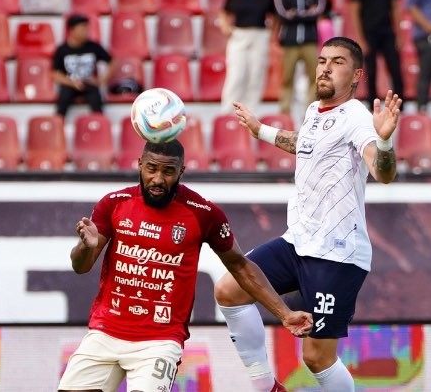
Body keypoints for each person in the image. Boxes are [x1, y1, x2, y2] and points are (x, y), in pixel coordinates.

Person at [214, 37, 402, 392]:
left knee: (316, 358)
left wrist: (386, 142)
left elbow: (383, 172)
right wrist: (261, 131)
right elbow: (306, 142)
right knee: (228, 289)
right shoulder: (315, 110)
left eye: (337, 62)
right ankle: (267, 387)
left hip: (337, 255)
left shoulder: (358, 118)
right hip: (297, 241)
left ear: (356, 75)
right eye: (321, 61)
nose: (326, 68)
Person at [58, 140, 314, 392]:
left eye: (168, 171)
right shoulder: (114, 203)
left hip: (159, 340)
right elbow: (81, 266)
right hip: (105, 332)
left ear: (181, 171)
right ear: (139, 165)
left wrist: (284, 314)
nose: (158, 179)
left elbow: (241, 267)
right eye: (152, 168)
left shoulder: (203, 213)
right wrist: (86, 247)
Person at [349, 0, 405, 104]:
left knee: (395, 69)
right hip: (369, 32)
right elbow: (354, 11)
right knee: (371, 71)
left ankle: (399, 105)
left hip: (387, 32)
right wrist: (360, 37)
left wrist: (399, 34)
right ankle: (373, 105)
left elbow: (395, 8)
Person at [219, 0, 277, 113]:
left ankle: (251, 111)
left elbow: (275, 16)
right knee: (236, 74)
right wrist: (225, 26)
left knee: (256, 74)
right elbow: (224, 12)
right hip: (239, 35)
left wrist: (272, 33)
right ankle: (227, 110)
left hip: (259, 34)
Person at [276, 0, 328, 116]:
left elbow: (317, 12)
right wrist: (305, 14)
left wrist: (297, 14)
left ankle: (311, 108)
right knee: (287, 77)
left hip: (309, 40)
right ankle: (285, 109)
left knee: (314, 76)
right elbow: (283, 14)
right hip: (290, 40)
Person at [52, 14, 115, 117]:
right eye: (82, 29)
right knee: (63, 101)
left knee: (96, 100)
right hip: (70, 84)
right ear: (72, 30)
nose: (86, 32)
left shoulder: (93, 46)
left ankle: (99, 124)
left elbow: (112, 62)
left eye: (86, 28)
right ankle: (58, 126)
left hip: (88, 82)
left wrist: (102, 79)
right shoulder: (62, 50)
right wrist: (72, 83)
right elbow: (55, 74)